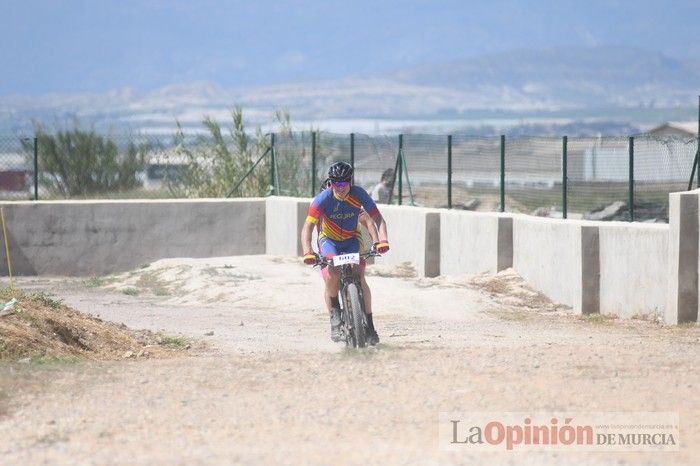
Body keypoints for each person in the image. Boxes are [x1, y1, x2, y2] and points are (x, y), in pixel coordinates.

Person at [300, 162, 390, 344]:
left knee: (360, 275)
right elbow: (307, 228)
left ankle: (370, 325)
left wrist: (382, 240)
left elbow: (376, 219)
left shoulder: (359, 195)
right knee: (332, 275)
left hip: (351, 240)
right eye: (335, 184)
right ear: (330, 184)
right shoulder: (322, 199)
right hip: (329, 241)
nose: (340, 188)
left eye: (343, 184)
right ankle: (335, 318)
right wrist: (308, 251)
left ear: (350, 182)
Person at [316, 178, 381, 325]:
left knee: (360, 277)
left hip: (352, 243)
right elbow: (316, 235)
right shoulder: (320, 209)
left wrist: (376, 242)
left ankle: (369, 323)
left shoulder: (351, 206)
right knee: (330, 280)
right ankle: (334, 315)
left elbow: (370, 222)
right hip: (329, 246)